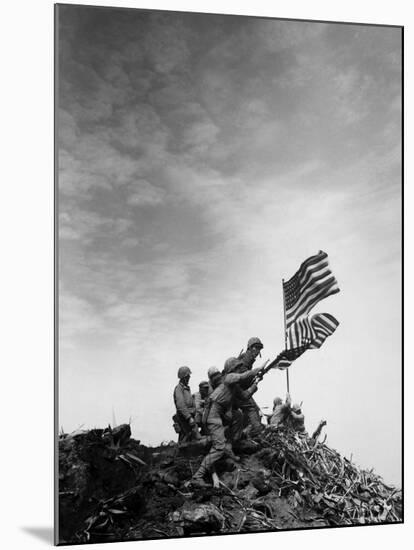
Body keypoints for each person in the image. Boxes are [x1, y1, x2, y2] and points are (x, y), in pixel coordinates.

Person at [190, 357, 264, 487]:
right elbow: (243, 376)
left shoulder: (234, 386)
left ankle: (229, 447)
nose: (239, 369)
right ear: (232, 369)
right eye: (237, 368)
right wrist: (257, 370)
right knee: (218, 447)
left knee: (238, 415)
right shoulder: (229, 378)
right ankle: (198, 476)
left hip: (220, 413)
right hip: (213, 413)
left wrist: (255, 384)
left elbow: (245, 396)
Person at [233, 337, 264, 436]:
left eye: (259, 348)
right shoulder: (246, 358)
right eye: (256, 347)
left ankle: (250, 433)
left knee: (255, 411)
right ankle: (257, 433)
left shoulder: (248, 359)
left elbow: (246, 379)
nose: (258, 350)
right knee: (252, 409)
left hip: (240, 390)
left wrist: (256, 378)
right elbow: (242, 375)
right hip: (236, 391)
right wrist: (254, 375)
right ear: (250, 348)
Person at [173, 366, 200, 443]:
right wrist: (189, 418)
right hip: (184, 418)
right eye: (188, 376)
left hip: (189, 416)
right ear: (184, 377)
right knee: (188, 438)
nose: (189, 378)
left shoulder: (186, 388)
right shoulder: (179, 388)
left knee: (190, 438)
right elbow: (180, 405)